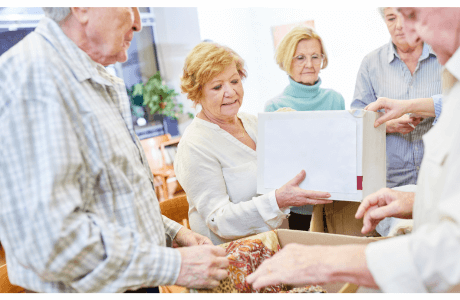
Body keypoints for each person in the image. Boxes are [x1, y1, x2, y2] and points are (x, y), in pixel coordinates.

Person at [247, 7, 460, 292]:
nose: (411, 34)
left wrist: (327, 260)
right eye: (395, 18)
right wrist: (416, 200)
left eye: (414, 15)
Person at [0, 7, 229, 292]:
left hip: (137, 278)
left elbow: (114, 203)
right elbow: (52, 241)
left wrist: (174, 232)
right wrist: (174, 265)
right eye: (129, 4)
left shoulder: (98, 79)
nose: (137, 21)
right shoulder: (32, 80)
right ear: (82, 7)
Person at [175, 42, 332, 245]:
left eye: (234, 81)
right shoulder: (194, 145)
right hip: (234, 258)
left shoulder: (254, 123)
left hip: (278, 244)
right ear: (197, 92)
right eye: (217, 86)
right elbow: (219, 220)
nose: (230, 92)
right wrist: (278, 201)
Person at [264, 26, 345, 231]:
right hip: (297, 208)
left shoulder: (335, 99)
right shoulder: (274, 107)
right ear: (286, 60)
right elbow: (277, 166)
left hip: (335, 201)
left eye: (315, 56)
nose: (309, 64)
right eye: (300, 57)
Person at [351, 7, 442, 189]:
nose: (399, 26)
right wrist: (387, 125)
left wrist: (419, 108)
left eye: (405, 16)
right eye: (392, 18)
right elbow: (357, 122)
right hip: (391, 183)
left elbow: (459, 106)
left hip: (441, 177)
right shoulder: (370, 64)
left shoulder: (443, 54)